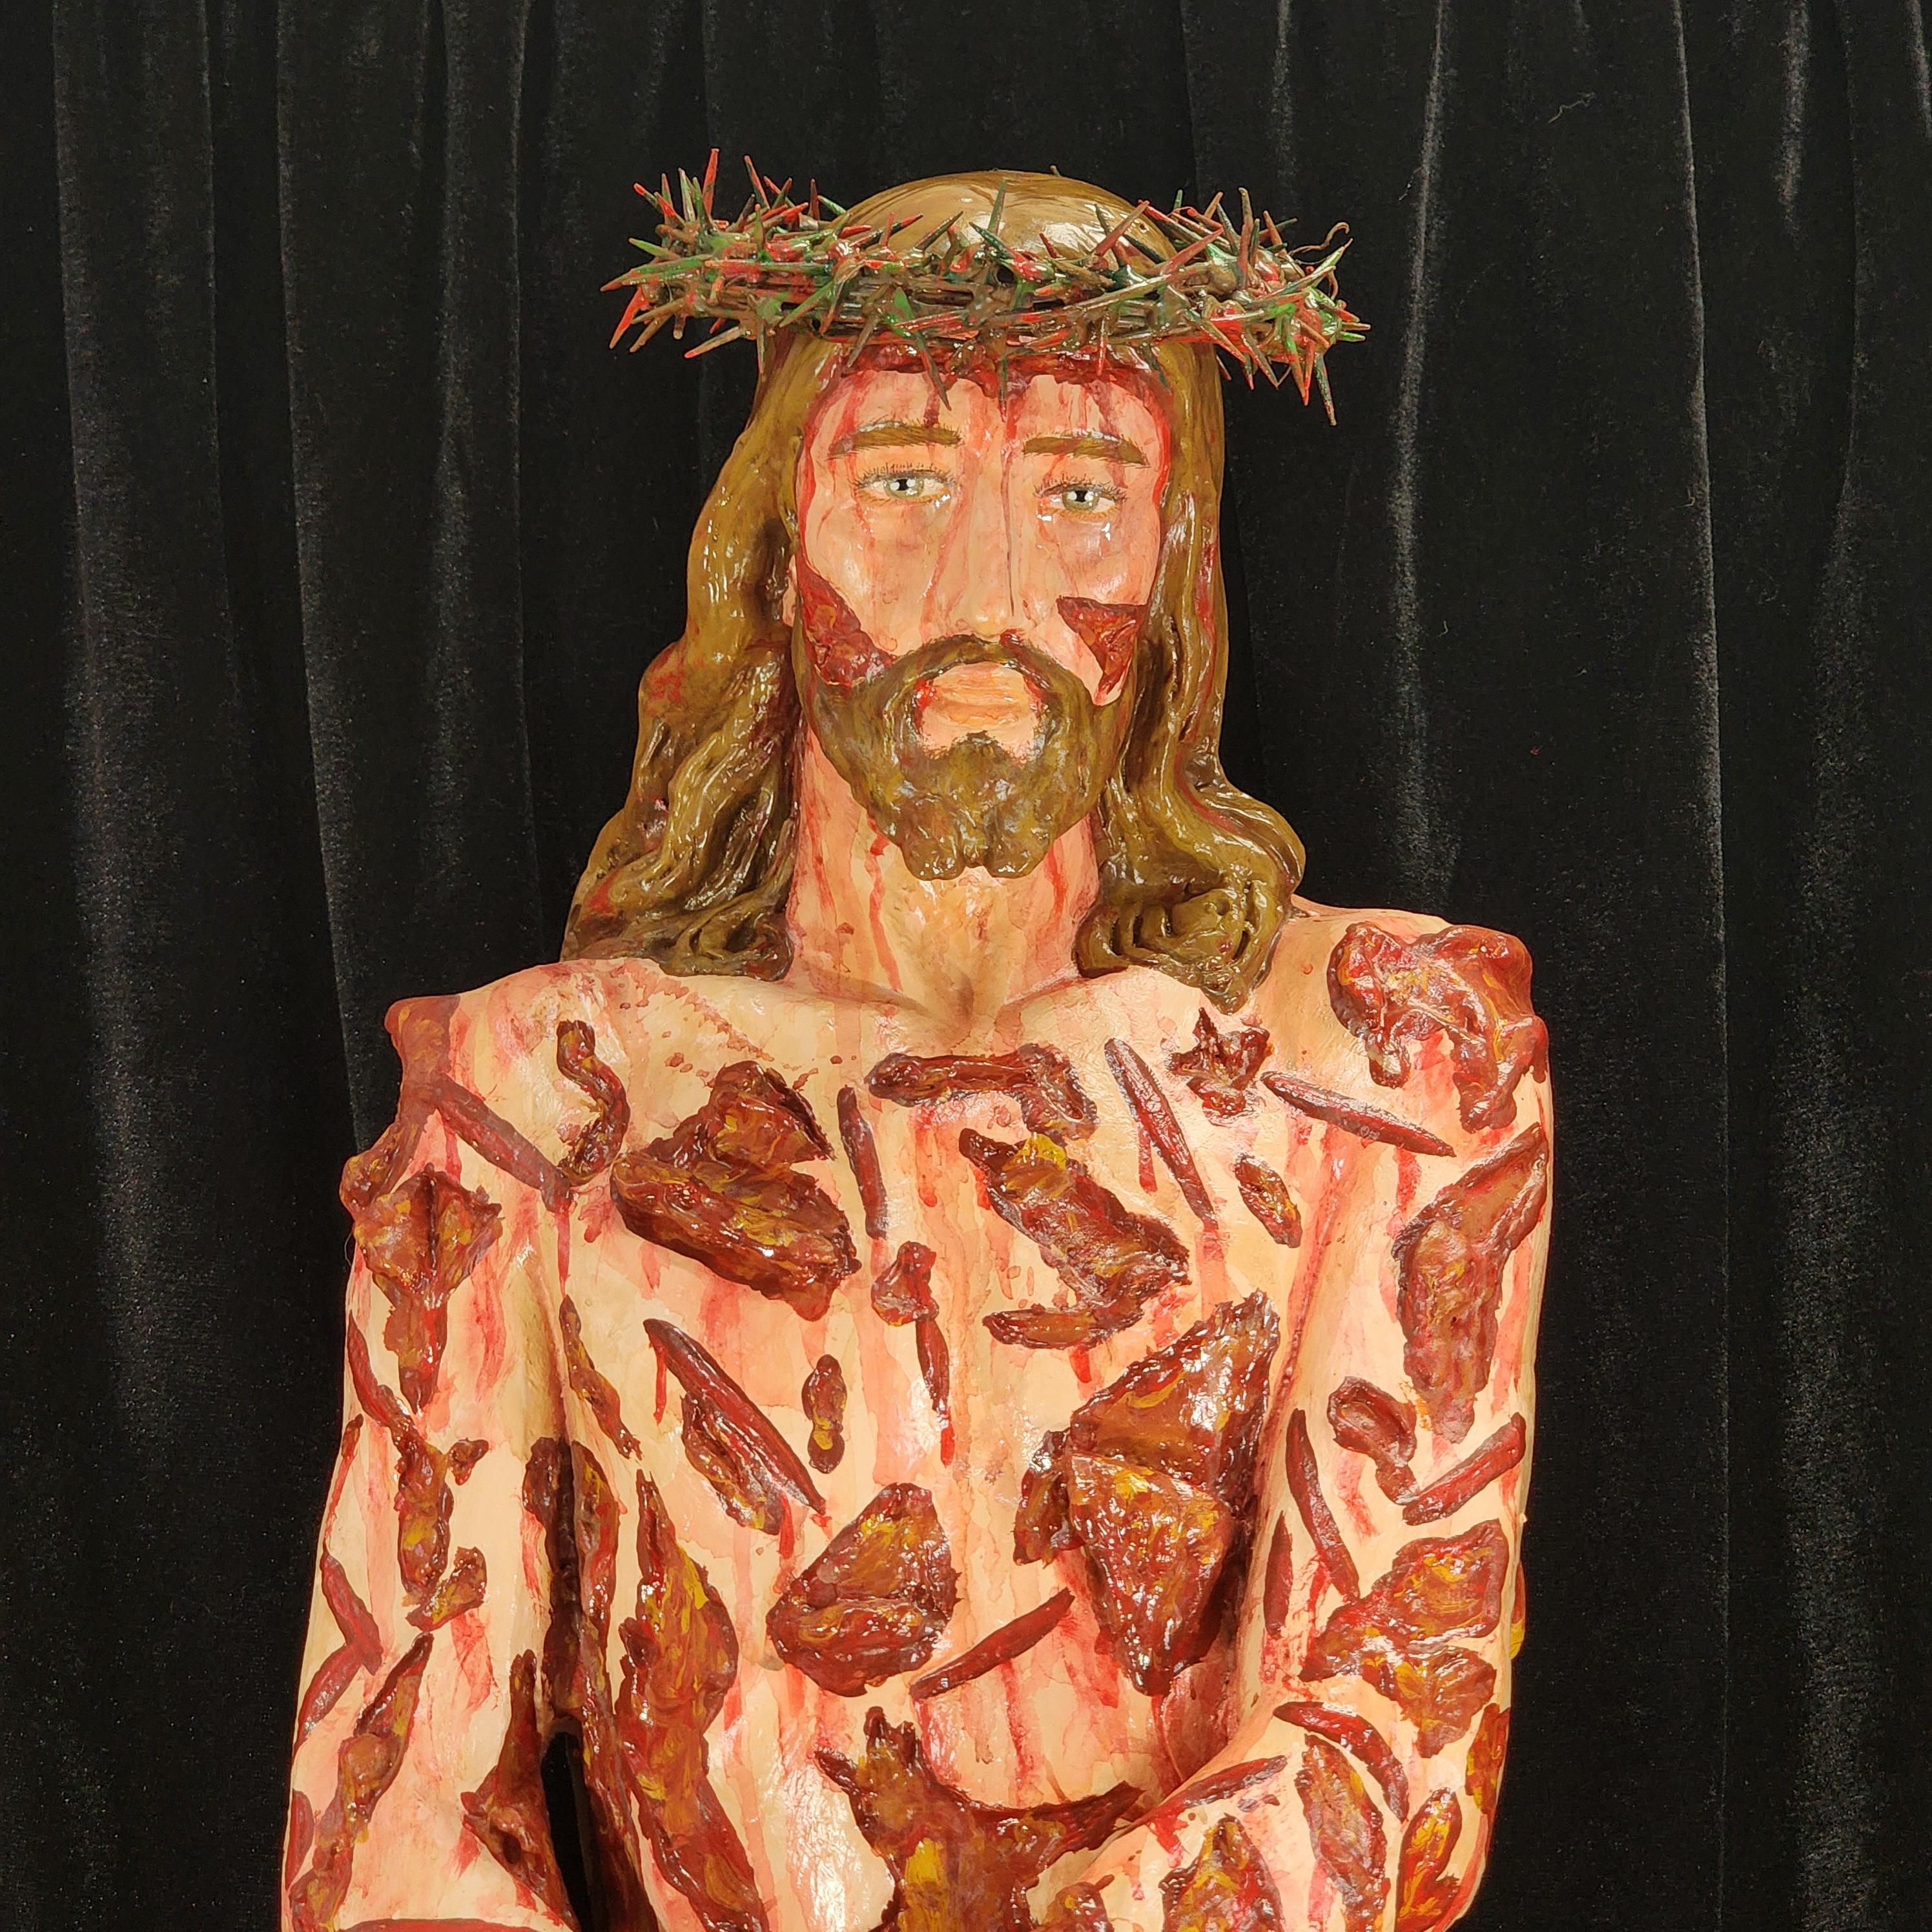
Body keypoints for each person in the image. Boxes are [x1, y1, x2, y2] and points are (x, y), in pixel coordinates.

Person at [282, 168, 1552, 1932]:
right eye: (901, 479)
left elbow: (1394, 1713)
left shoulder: (1371, 1065)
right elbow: (396, 1803)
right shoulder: (543, 1103)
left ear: (1177, 564)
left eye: (1082, 494)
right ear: (773, 539)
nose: (989, 591)